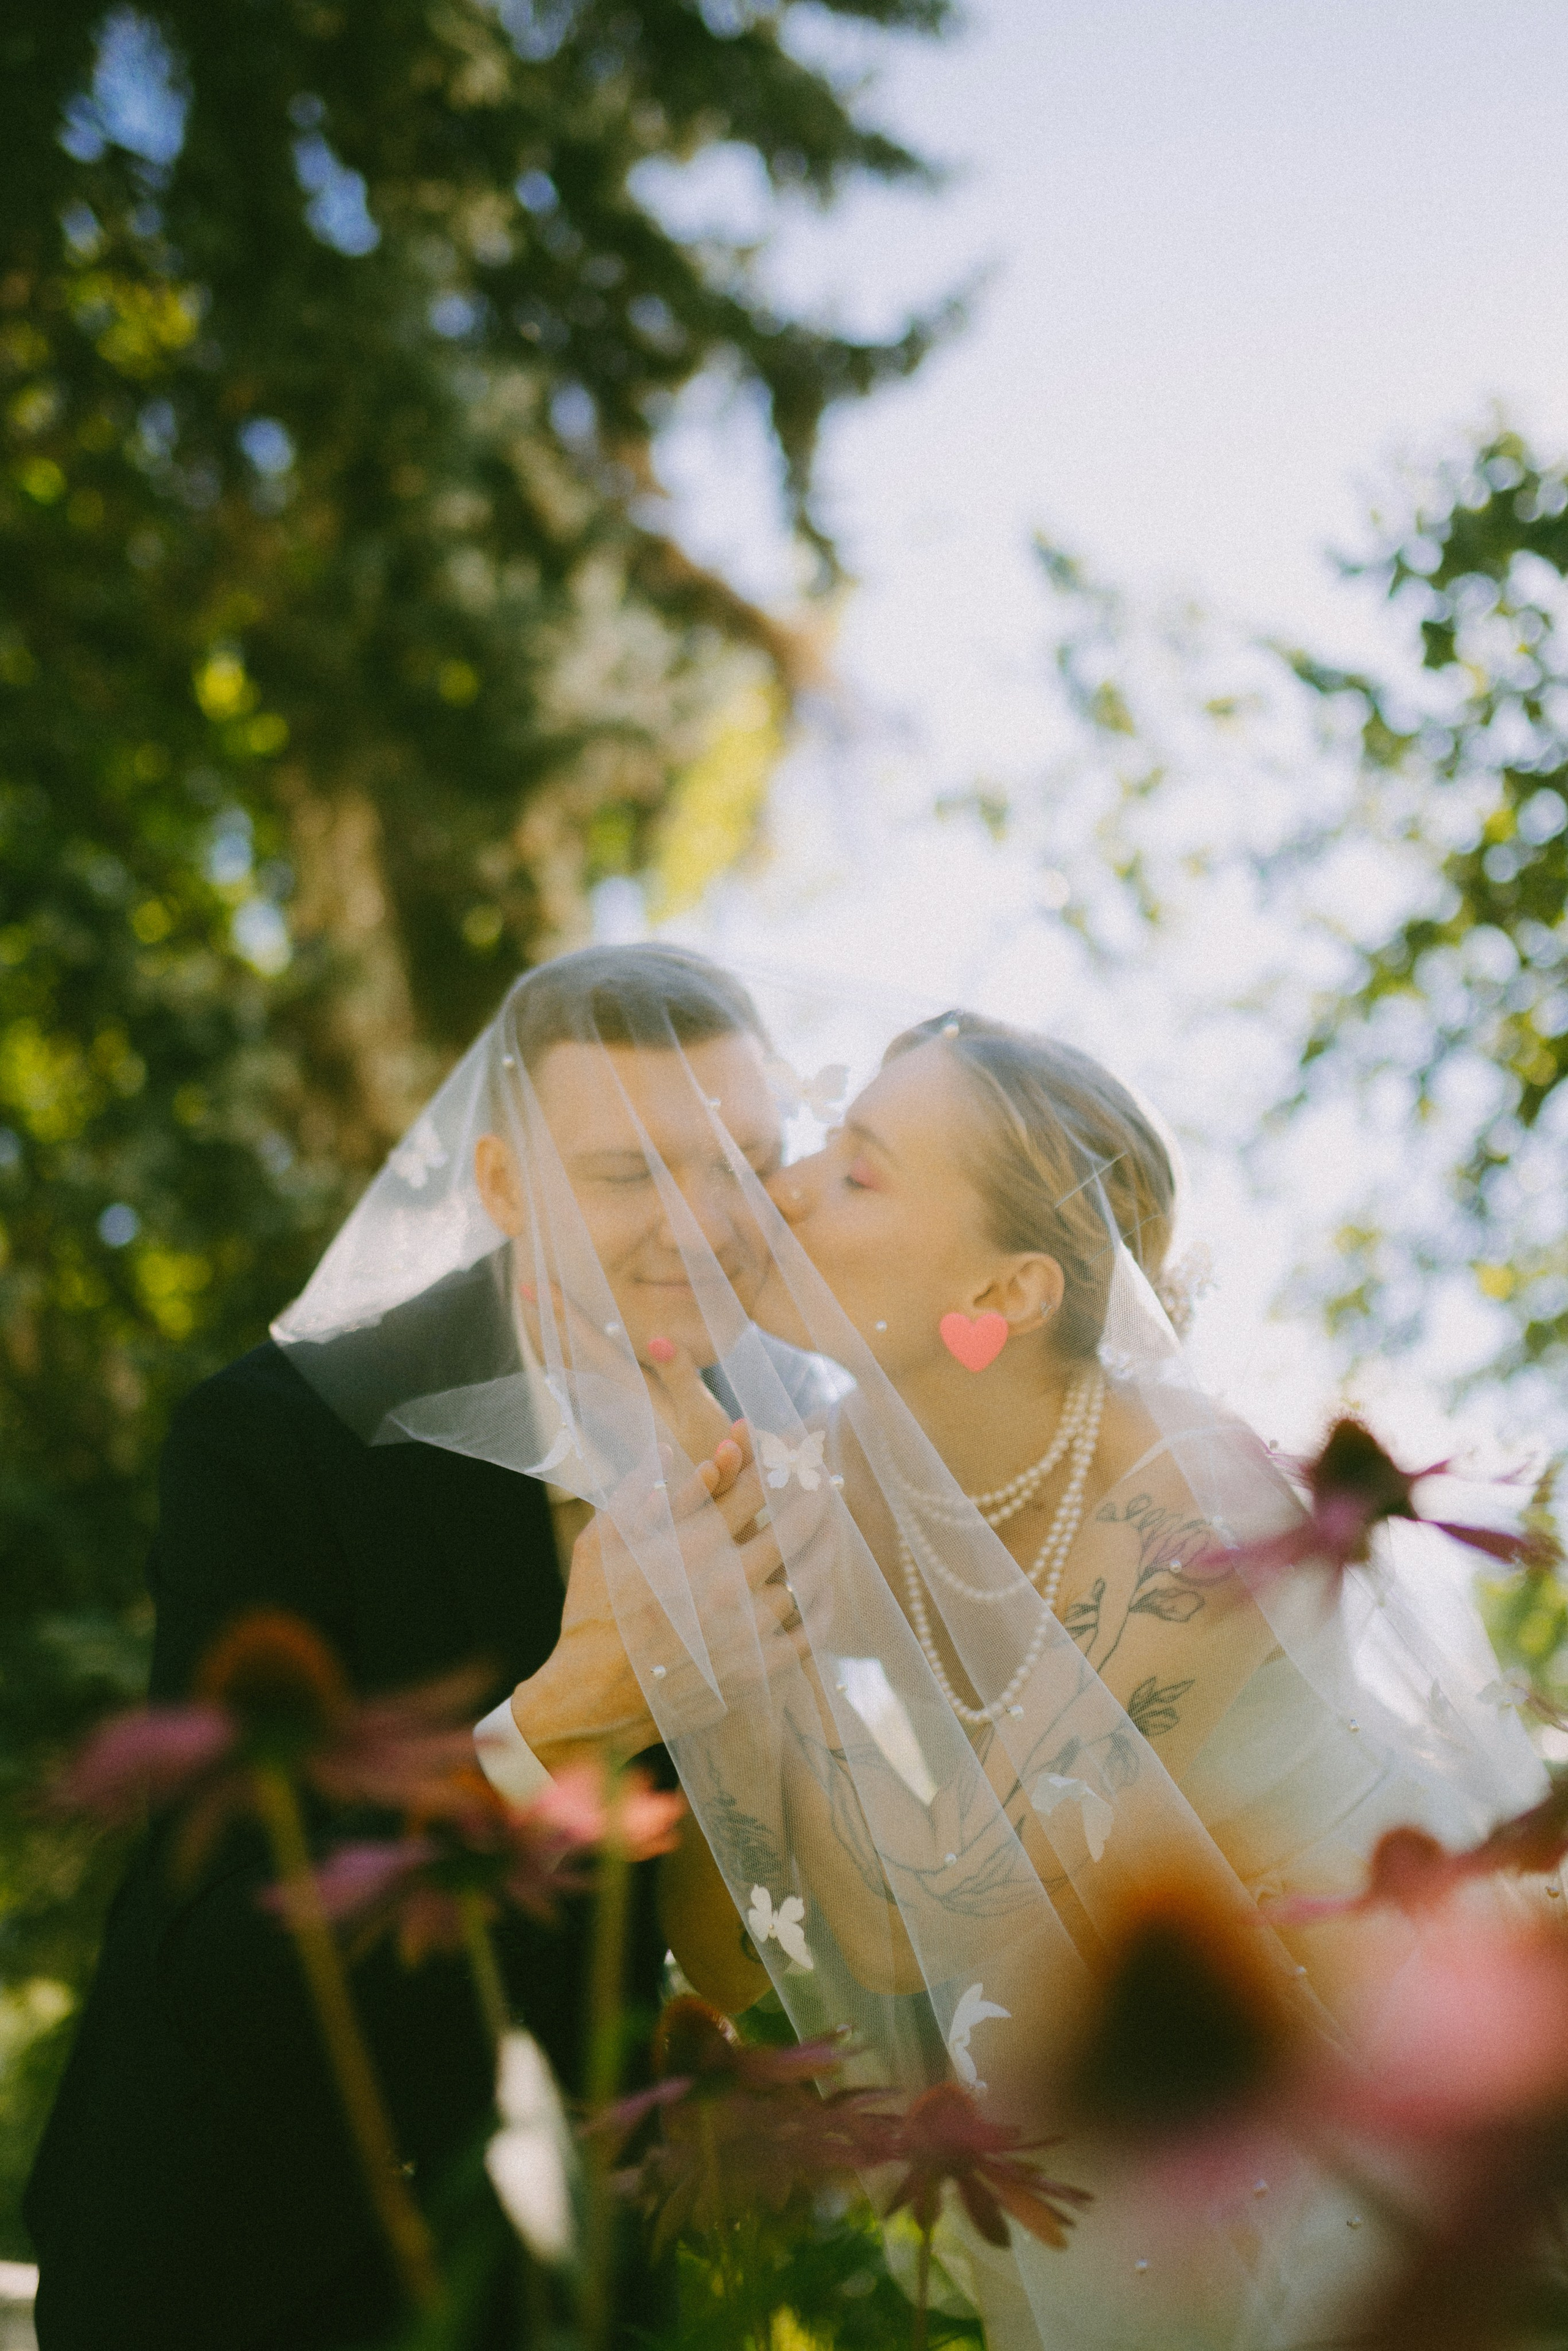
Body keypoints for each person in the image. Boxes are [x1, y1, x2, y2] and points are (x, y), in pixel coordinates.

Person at [25, 944, 814, 2351]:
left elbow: (722, 1957)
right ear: (505, 1187)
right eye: (633, 1170)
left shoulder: (786, 1457)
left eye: (744, 1163)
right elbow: (215, 1951)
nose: (704, 1221)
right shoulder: (279, 1438)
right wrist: (549, 1724)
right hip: (238, 2258)